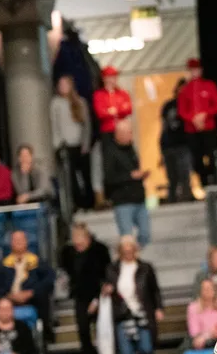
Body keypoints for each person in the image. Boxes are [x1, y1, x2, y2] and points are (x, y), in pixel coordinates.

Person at [99, 235, 163, 354]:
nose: (128, 253)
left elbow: (154, 290)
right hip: (122, 315)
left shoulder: (145, 268)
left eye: (131, 250)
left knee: (146, 348)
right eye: (125, 251)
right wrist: (107, 290)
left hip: (142, 313)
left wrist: (158, 308)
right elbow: (106, 285)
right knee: (126, 353)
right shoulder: (112, 269)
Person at [60, 223, 112, 354]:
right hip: (80, 297)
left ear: (88, 237)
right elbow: (67, 273)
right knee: (83, 331)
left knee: (103, 332)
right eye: (74, 238)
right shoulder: (67, 252)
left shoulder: (100, 250)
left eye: (80, 237)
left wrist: (96, 300)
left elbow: (106, 275)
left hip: (100, 296)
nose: (77, 241)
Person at [103, 120, 151, 247]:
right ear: (118, 134)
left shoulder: (131, 149)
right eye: (127, 132)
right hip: (123, 201)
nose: (130, 135)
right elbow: (109, 178)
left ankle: (136, 260)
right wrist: (130, 176)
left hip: (139, 198)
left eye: (130, 132)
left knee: (145, 234)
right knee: (127, 237)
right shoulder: (110, 152)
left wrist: (140, 176)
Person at [51, 74, 93, 211]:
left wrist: (85, 144)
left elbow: (87, 126)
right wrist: (57, 145)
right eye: (60, 84)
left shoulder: (80, 102)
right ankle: (77, 203)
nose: (63, 87)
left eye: (65, 84)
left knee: (86, 175)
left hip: (80, 145)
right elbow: (54, 125)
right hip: (65, 146)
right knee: (71, 177)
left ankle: (89, 202)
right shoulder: (55, 103)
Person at [178, 58, 217, 186]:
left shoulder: (209, 85)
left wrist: (205, 115)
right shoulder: (185, 90)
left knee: (211, 156)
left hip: (208, 128)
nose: (195, 72)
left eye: (197, 69)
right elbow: (182, 111)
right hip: (192, 130)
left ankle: (214, 181)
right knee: (196, 159)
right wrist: (193, 119)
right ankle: (204, 183)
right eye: (192, 70)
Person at [2, 230, 55, 339]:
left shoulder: (36, 261)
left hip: (32, 298)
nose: (18, 242)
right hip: (10, 298)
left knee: (43, 295)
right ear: (11, 243)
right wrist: (10, 295)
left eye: (21, 239)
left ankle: (45, 333)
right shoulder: (4, 264)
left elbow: (49, 279)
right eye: (15, 240)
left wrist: (31, 293)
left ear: (26, 241)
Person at [161, 79, 193, 203]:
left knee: (185, 173)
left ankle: (186, 197)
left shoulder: (190, 104)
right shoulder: (169, 105)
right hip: (169, 145)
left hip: (183, 144)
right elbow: (163, 126)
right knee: (172, 176)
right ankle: (172, 199)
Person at [187, 278, 217, 350]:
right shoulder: (193, 308)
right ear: (200, 291)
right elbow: (194, 332)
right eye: (205, 289)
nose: (208, 291)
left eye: (210, 288)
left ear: (215, 290)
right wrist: (210, 334)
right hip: (200, 345)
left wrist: (207, 335)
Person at [92, 66, 132, 137]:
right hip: (108, 131)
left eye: (114, 77)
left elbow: (128, 109)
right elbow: (100, 113)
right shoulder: (99, 95)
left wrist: (113, 110)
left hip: (123, 130)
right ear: (104, 79)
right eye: (109, 77)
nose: (112, 80)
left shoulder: (123, 93)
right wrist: (120, 109)